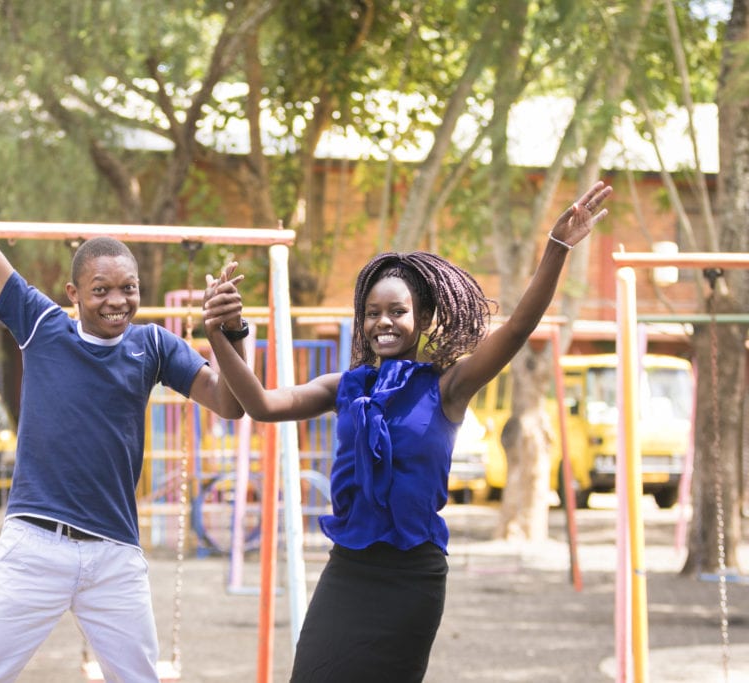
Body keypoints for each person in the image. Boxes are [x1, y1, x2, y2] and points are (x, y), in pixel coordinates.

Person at [0, 97, 248, 683]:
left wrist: (230, 334)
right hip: (34, 548)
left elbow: (231, 403)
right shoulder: (42, 327)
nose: (117, 301)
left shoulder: (154, 346)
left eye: (128, 288)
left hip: (114, 557)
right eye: (101, 289)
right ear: (74, 294)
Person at [201, 181, 613, 682]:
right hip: (348, 571)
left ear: (420, 319)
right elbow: (262, 405)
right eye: (372, 313)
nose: (383, 323)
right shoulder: (344, 387)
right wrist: (223, 335)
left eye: (397, 311)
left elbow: (518, 328)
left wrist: (557, 248)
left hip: (412, 576)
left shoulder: (449, 386)